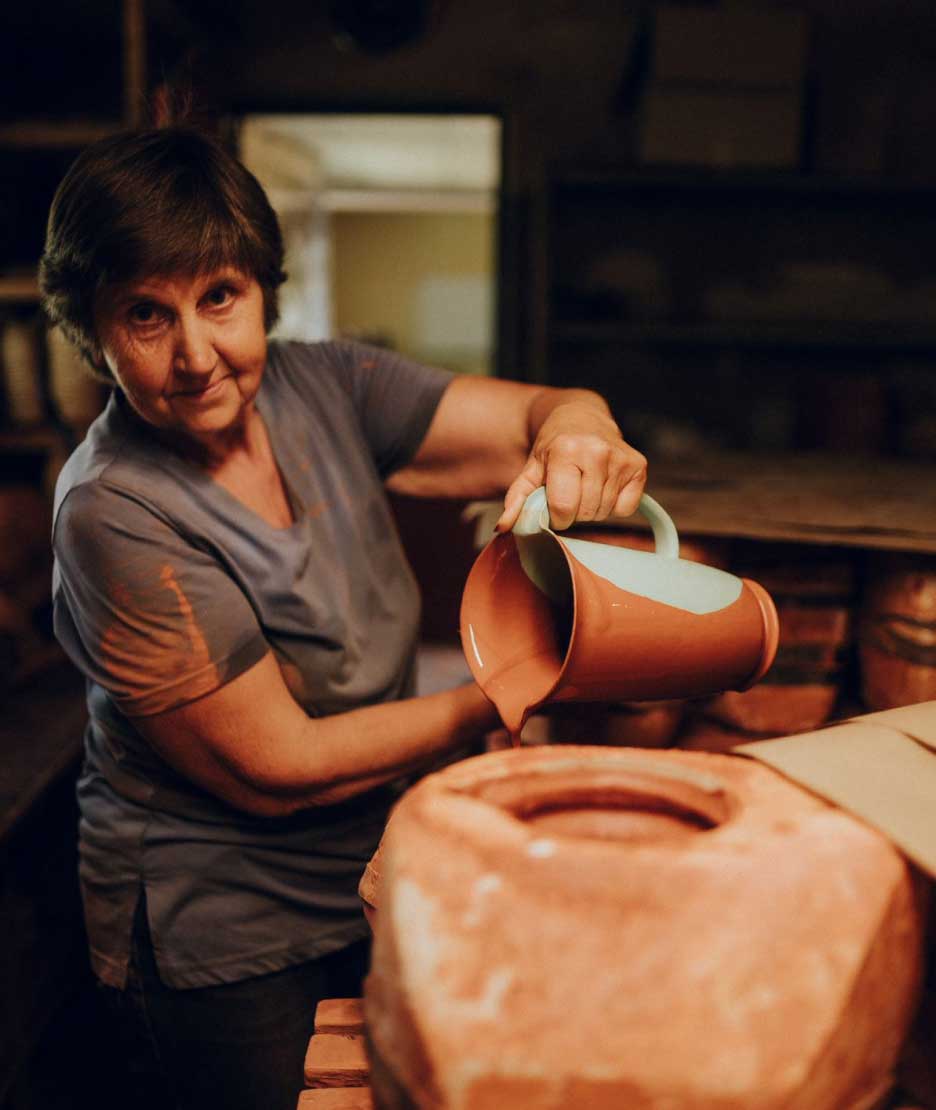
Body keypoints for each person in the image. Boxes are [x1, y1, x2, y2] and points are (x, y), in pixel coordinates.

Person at [40, 125, 647, 1110]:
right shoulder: (114, 508)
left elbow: (544, 410)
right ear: (92, 333)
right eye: (146, 315)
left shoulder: (324, 384)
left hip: (367, 862)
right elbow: (274, 771)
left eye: (219, 298)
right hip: (222, 925)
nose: (196, 355)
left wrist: (581, 428)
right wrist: (501, 690)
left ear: (263, 292)